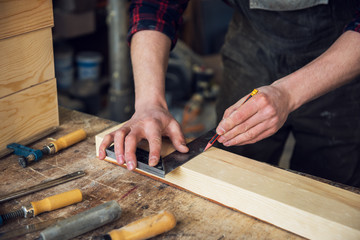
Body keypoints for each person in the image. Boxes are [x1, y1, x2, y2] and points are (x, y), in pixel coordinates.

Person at [99, 0, 360, 187]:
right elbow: (155, 6)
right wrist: (149, 102)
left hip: (341, 56)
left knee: (331, 187)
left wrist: (289, 94)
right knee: (228, 172)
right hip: (251, 46)